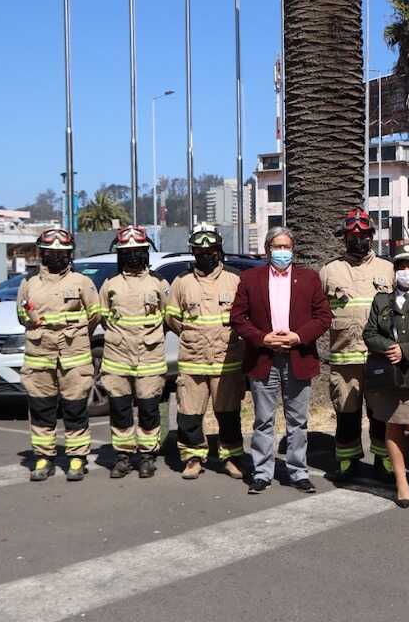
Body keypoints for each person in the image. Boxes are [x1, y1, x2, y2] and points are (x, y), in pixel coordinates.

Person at [231, 226, 332, 494]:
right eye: (277, 247)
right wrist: (262, 339)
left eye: (287, 247)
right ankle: (262, 472)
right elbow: (238, 318)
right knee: (263, 420)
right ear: (267, 250)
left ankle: (298, 472)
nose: (282, 252)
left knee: (297, 421)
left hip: (298, 357)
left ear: (293, 250)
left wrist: (298, 337)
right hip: (263, 358)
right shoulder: (251, 278)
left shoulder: (308, 278)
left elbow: (323, 317)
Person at [16, 228, 101, 482]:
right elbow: (22, 316)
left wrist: (74, 335)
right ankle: (44, 457)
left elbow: (94, 316)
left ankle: (76, 458)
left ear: (69, 255)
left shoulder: (82, 282)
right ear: (42, 254)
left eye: (61, 253)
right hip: (39, 356)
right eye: (50, 253)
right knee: (42, 410)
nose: (55, 257)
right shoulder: (29, 283)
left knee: (75, 409)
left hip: (74, 357)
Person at [164, 223, 246, 481]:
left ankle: (231, 458)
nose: (205, 255)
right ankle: (192, 458)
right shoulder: (182, 282)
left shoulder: (235, 279)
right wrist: (193, 336)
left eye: (210, 250)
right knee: (189, 414)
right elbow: (172, 318)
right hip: (193, 361)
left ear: (219, 250)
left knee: (229, 414)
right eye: (199, 251)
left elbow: (244, 316)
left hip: (227, 362)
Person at [318, 208, 395, 482]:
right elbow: (318, 312)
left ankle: (384, 458)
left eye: (363, 235)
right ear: (344, 238)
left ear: (372, 237)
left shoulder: (388, 269)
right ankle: (348, 460)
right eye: (353, 236)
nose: (358, 240)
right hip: (344, 359)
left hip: (378, 359)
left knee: (381, 413)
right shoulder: (329, 271)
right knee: (347, 414)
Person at [362, 244, 409, 507]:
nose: (406, 271)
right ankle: (401, 482)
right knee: (393, 428)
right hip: (389, 375)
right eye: (401, 267)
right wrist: (389, 349)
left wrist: (406, 350)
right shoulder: (381, 300)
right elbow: (370, 333)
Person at [98, 225, 170, 479]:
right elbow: (105, 318)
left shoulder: (159, 284)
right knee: (120, 409)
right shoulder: (110, 285)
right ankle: (123, 456)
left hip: (149, 358)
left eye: (138, 251)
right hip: (117, 359)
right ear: (119, 255)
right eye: (127, 252)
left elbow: (168, 317)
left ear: (146, 252)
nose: (133, 256)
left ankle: (148, 456)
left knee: (149, 409)